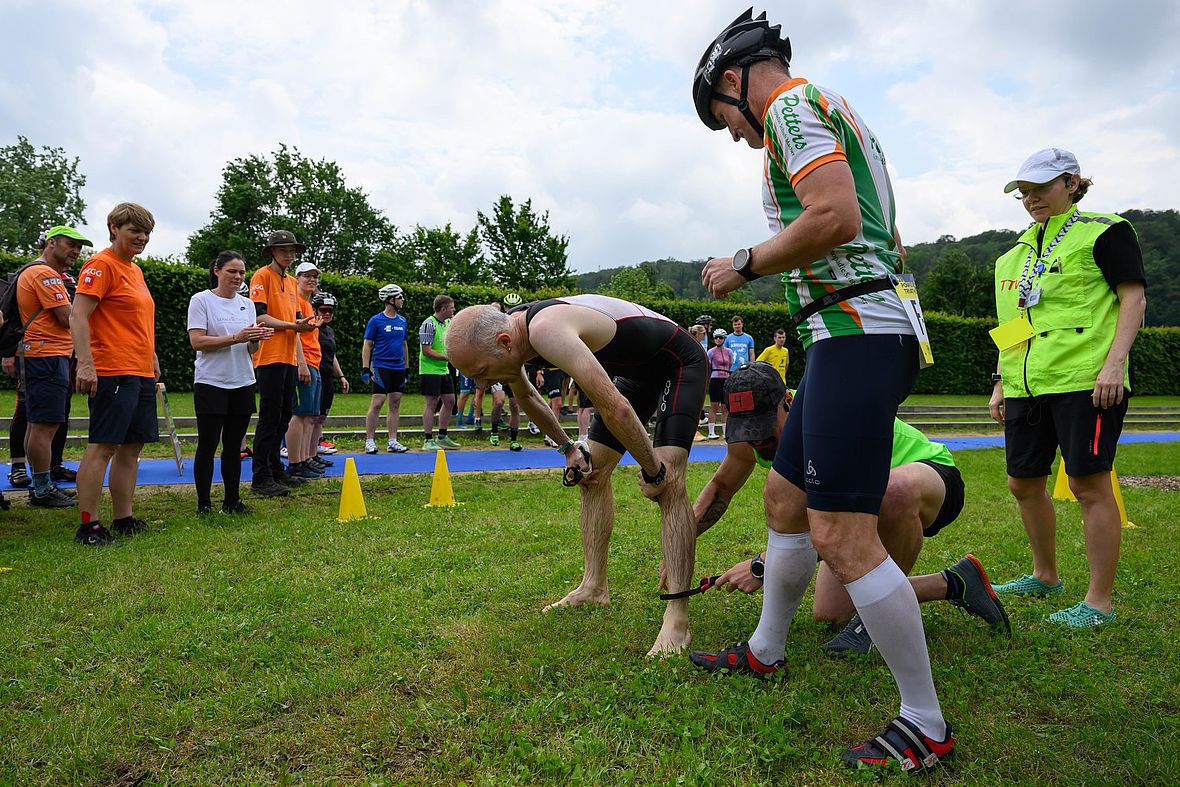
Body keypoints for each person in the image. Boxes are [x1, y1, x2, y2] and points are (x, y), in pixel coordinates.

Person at [693, 10, 950, 770]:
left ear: (735, 83)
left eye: (723, 120)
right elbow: (882, 233)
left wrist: (746, 260)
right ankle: (767, 648)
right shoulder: (831, 112)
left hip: (859, 331)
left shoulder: (792, 110)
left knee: (842, 534)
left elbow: (834, 215)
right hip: (849, 331)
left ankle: (926, 721)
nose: (735, 137)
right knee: (783, 499)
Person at [682, 363, 1008, 657]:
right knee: (830, 612)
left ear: (789, 403)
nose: (756, 442)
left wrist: (761, 565)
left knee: (893, 492)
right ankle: (954, 583)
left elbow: (835, 521)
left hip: (928, 477)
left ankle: (874, 625)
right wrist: (682, 543)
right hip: (863, 501)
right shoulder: (752, 435)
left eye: (764, 429)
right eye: (746, 432)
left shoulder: (824, 421)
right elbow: (721, 487)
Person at [445, 294, 708, 655]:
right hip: (636, 372)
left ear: (504, 343)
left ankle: (677, 618)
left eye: (479, 373)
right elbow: (528, 397)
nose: (479, 385)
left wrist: (654, 470)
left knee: (670, 482)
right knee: (593, 473)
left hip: (678, 362)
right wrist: (569, 448)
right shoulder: (511, 335)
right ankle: (594, 586)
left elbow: (614, 406)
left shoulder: (546, 329)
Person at [988, 148, 1147, 629]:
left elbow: (1132, 297)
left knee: (1087, 483)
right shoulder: (1012, 256)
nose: (1031, 198)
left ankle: (1098, 601)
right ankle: (1045, 575)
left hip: (1087, 381)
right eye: (1024, 192)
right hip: (1025, 386)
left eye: (1041, 188)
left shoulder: (1106, 231)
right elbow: (1014, 323)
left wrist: (1114, 364)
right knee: (1022, 483)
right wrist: (1000, 381)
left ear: (1072, 183)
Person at [70, 203, 161, 546]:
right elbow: (78, 317)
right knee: (103, 446)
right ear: (113, 228)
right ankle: (89, 525)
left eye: (146, 232)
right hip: (112, 370)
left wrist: (150, 356)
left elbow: (136, 320)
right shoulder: (100, 265)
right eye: (133, 230)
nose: (141, 237)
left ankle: (124, 518)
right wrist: (86, 363)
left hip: (138, 370)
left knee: (131, 447)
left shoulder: (134, 271)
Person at [187, 251, 272, 515]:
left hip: (242, 381)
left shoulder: (247, 305)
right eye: (231, 271)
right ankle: (204, 504)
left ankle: (232, 501)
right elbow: (197, 342)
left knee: (234, 445)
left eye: (241, 272)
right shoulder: (201, 300)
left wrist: (256, 337)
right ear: (217, 271)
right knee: (208, 444)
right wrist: (236, 337)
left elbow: (251, 350)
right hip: (211, 382)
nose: (237, 277)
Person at [15, 225, 90, 507]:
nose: (75, 252)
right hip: (46, 356)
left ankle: (40, 486)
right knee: (45, 426)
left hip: (39, 355)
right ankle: (43, 489)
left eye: (79, 248)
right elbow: (66, 317)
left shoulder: (32, 270)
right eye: (70, 245)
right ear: (51, 243)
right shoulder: (45, 274)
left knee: (37, 425)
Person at [248, 231, 319, 497]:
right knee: (269, 417)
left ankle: (276, 469)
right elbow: (260, 317)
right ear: (273, 251)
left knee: (283, 416)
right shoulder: (261, 276)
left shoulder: (290, 281)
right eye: (283, 249)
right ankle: (260, 477)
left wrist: (305, 325)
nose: (289, 254)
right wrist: (292, 326)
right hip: (269, 356)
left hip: (288, 355)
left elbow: (297, 321)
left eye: (292, 250)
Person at [283, 262, 327, 479]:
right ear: (296, 278)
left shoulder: (308, 305)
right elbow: (296, 334)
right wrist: (301, 362)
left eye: (314, 277)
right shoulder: (296, 302)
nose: (312, 280)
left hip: (314, 362)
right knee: (299, 414)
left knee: (309, 415)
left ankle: (304, 459)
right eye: (307, 276)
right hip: (304, 362)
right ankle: (295, 462)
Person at [362, 284, 410, 454]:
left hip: (398, 367)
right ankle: (369, 440)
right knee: (377, 402)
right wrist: (366, 368)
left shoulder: (402, 320)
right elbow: (367, 344)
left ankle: (392, 440)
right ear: (390, 300)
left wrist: (407, 368)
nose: (402, 300)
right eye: (399, 297)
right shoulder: (376, 321)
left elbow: (404, 345)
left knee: (395, 402)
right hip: (381, 366)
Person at [309, 291, 348, 462]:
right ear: (315, 310)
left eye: (330, 311)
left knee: (321, 417)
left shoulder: (329, 331)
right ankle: (305, 454)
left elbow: (332, 356)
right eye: (323, 310)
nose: (326, 314)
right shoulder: (311, 328)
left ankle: (315, 450)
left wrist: (341, 376)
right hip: (314, 374)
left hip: (327, 376)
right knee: (311, 416)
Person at [419, 294, 459, 450]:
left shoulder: (448, 323)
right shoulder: (429, 324)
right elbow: (426, 351)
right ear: (443, 308)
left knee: (449, 401)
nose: (453, 310)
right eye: (451, 307)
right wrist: (448, 358)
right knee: (431, 403)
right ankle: (428, 440)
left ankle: (442, 436)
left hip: (443, 370)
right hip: (430, 370)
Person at [706, 328, 732, 439]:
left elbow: (730, 364)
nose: (718, 339)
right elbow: (708, 366)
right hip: (715, 379)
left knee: (725, 406)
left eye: (720, 337)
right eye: (716, 337)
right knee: (714, 406)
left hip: (726, 378)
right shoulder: (711, 352)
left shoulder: (729, 352)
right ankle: (711, 432)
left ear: (724, 339)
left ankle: (725, 432)